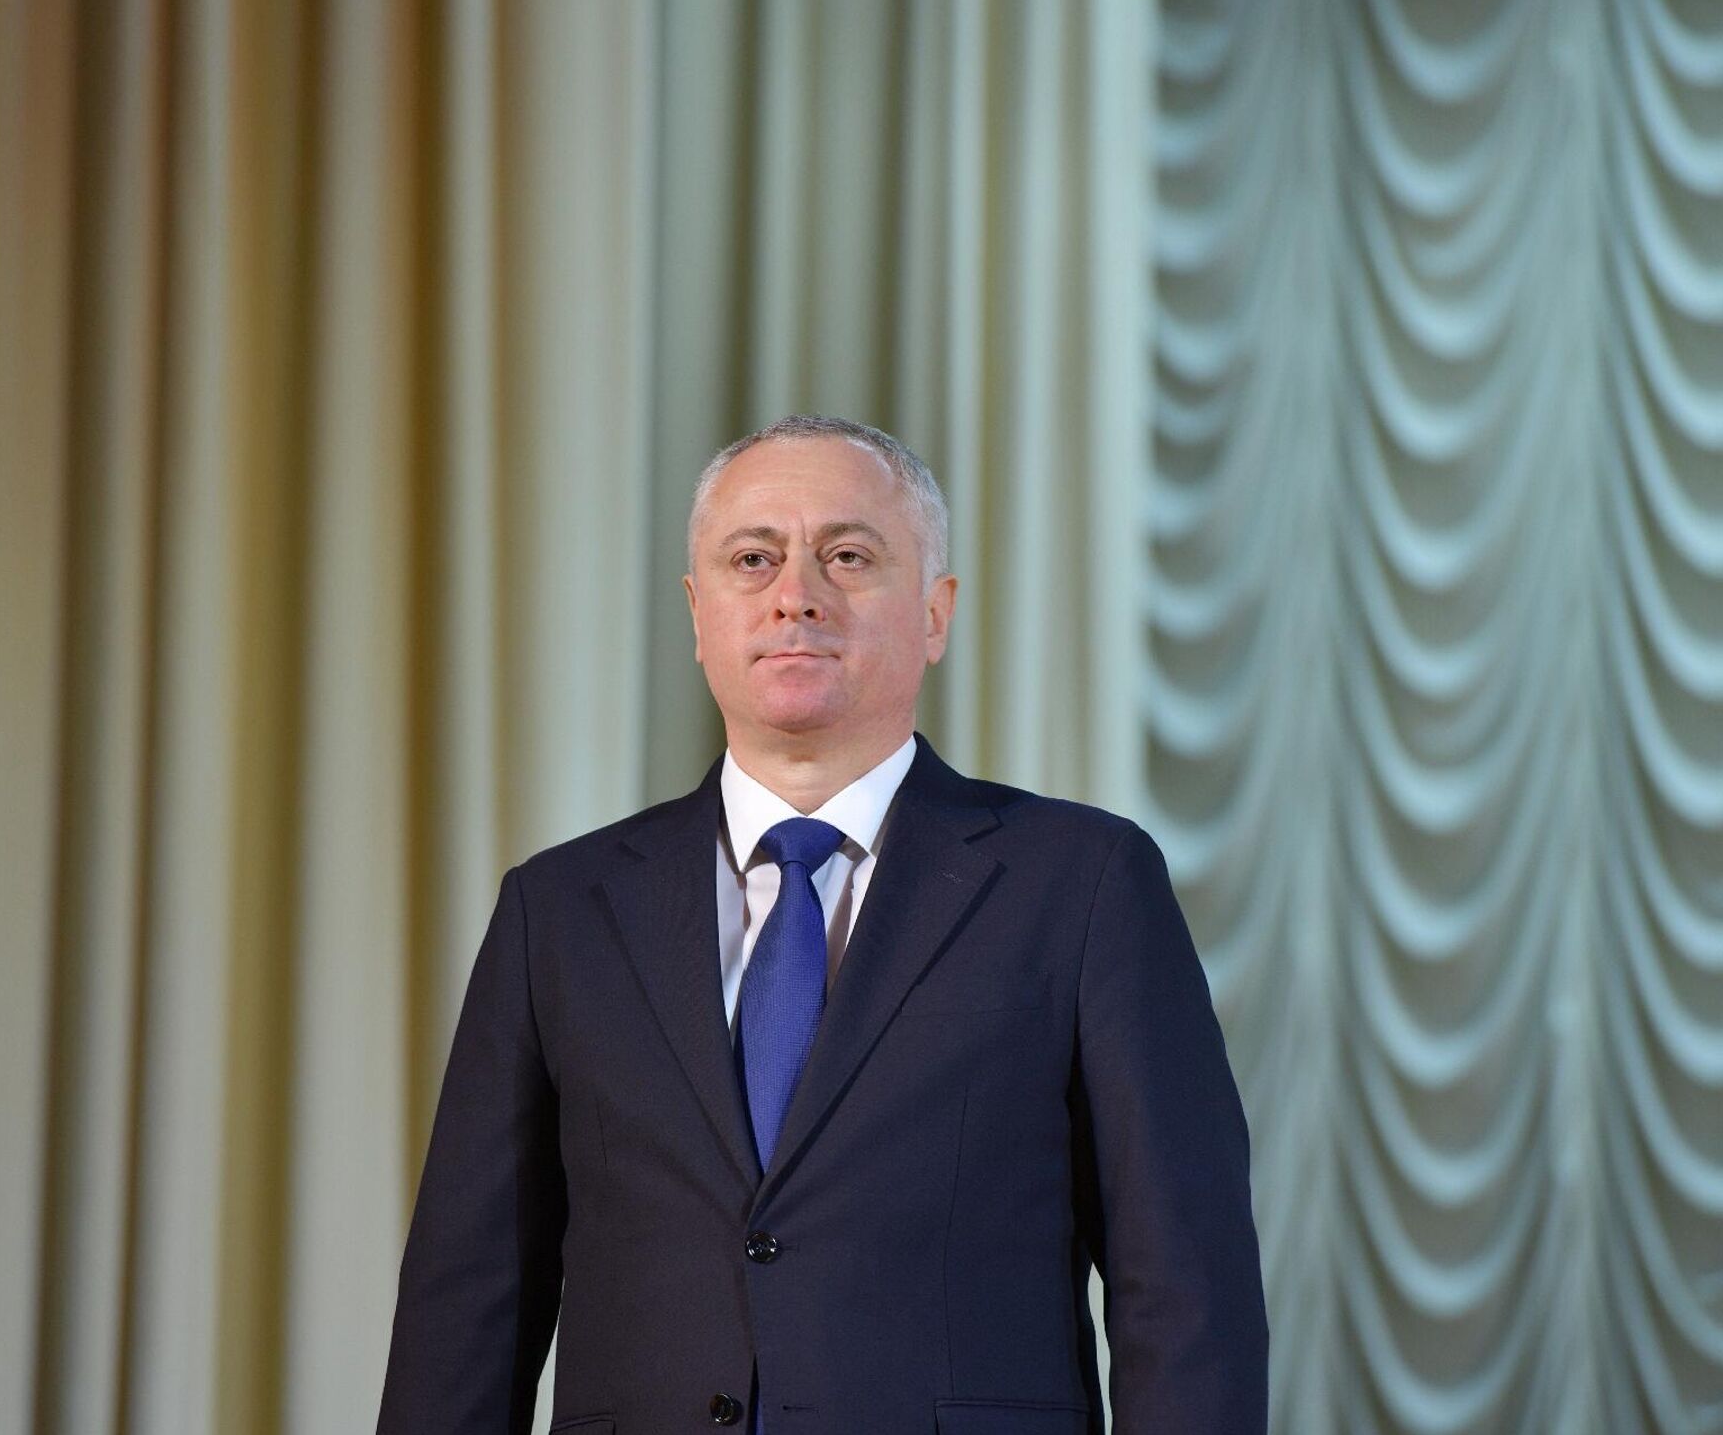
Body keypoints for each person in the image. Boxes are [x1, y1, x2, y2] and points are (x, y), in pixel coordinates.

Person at [376, 415, 1267, 1433]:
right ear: (699, 614)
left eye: (847, 556)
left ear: (935, 613)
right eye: (753, 559)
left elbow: (1186, 1293)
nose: (795, 594)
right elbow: (465, 1309)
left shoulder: (1085, 885)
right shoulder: (561, 911)